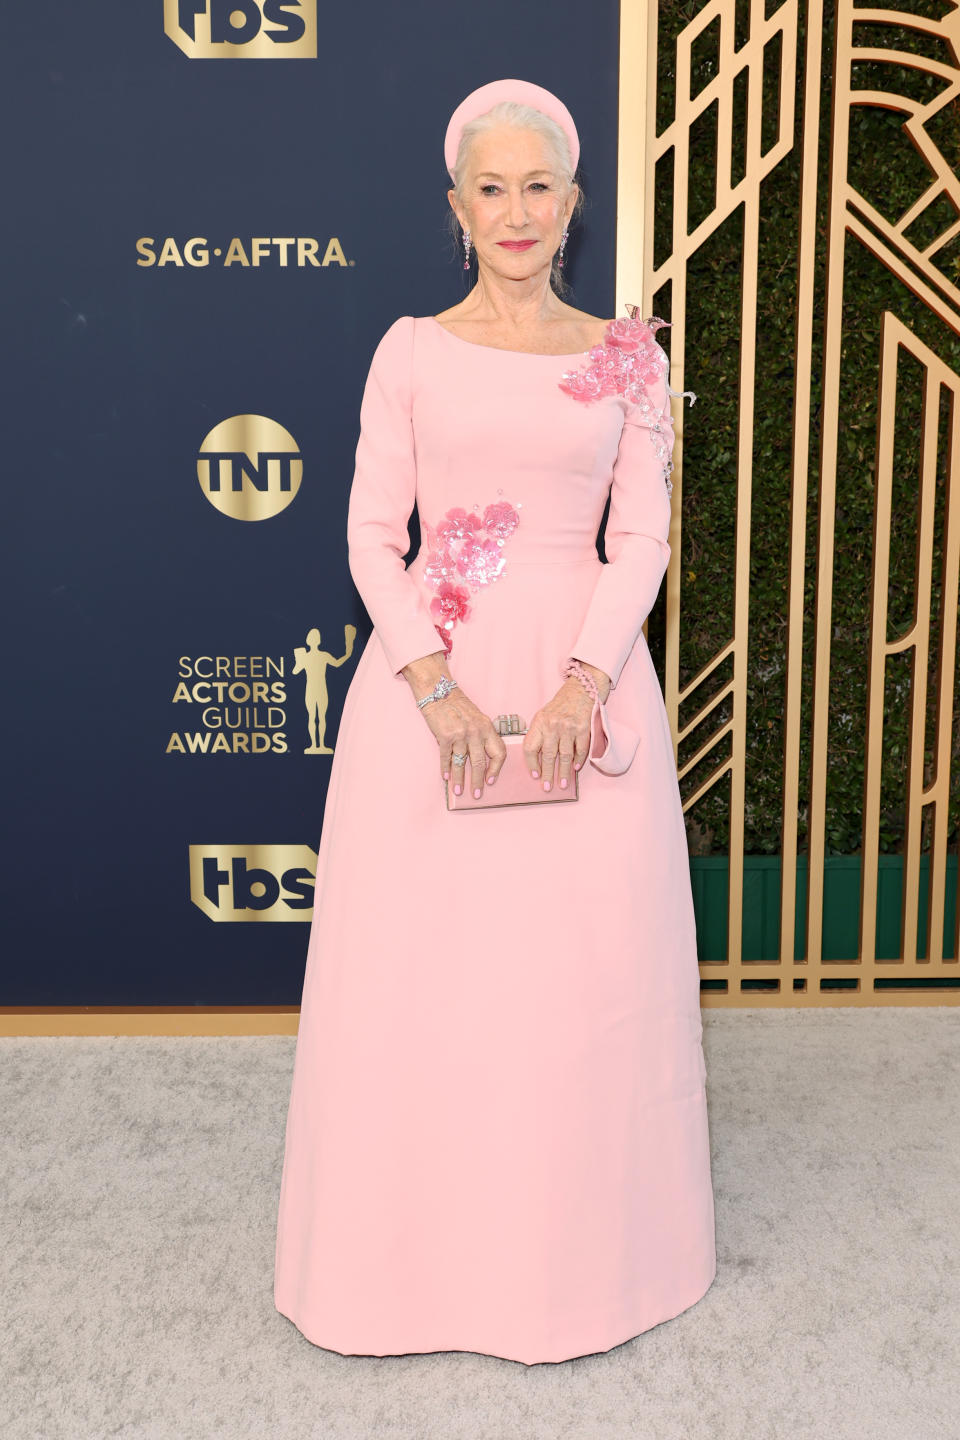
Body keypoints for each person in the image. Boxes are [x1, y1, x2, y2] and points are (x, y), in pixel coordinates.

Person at [274, 77, 716, 1366]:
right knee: (430, 986)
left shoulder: (628, 352)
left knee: (579, 986)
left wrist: (587, 681)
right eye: (491, 187)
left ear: (573, 206)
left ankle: (584, 1267)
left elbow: (641, 535)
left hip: (587, 680)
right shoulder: (410, 349)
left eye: (539, 186)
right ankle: (404, 1272)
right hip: (436, 680)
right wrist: (435, 687)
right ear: (456, 206)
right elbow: (369, 533)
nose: (514, 211)